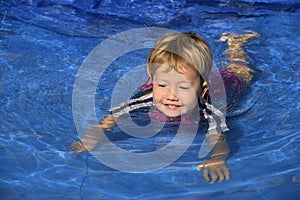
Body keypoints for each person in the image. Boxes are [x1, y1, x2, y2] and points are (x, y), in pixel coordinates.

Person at [70, 31, 259, 184]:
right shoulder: (145, 99)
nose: (171, 95)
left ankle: (236, 44)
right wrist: (94, 136)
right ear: (152, 82)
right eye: (162, 85)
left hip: (225, 85)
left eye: (183, 87)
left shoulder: (209, 109)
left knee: (241, 72)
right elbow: (111, 118)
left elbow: (217, 138)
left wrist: (217, 158)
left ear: (201, 90)